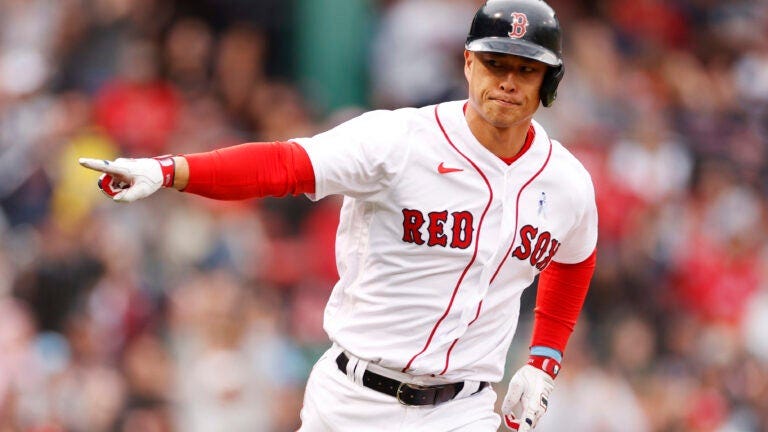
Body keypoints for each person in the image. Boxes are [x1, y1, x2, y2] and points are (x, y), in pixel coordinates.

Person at [79, 0, 597, 430]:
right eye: (495, 64)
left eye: (525, 69)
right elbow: (284, 164)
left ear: (549, 82)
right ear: (467, 63)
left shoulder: (566, 182)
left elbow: (576, 257)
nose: (508, 81)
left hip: (463, 409)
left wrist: (544, 360)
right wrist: (172, 170)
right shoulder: (397, 141)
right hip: (353, 399)